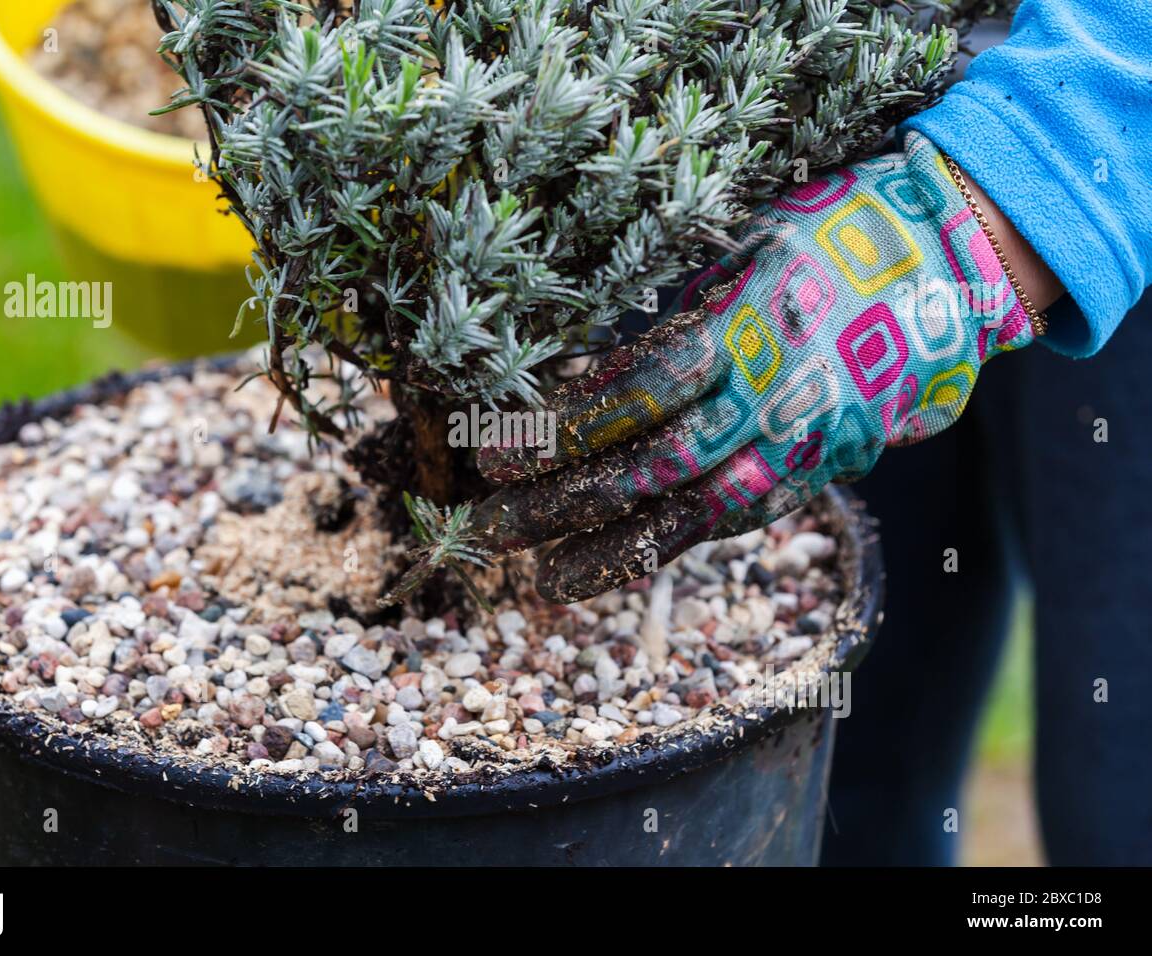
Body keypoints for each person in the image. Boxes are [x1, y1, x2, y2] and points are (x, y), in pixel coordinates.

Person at [474, 0, 1152, 864]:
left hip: (1108, 145)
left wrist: (1045, 151)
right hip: (777, 125)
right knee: (846, 787)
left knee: (1125, 792)